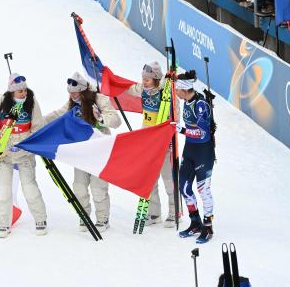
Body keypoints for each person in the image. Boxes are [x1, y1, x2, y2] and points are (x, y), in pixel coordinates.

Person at [44, 72, 121, 231]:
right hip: (82, 151)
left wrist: (100, 118)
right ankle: (84, 215)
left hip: (100, 151)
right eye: (70, 93)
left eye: (75, 93)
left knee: (98, 188)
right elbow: (57, 115)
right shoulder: (72, 103)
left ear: (83, 90)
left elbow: (116, 120)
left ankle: (102, 219)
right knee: (79, 187)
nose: (72, 96)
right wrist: (37, 122)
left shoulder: (99, 99)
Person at [0, 73, 47, 238]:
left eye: (25, 89)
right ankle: (3, 224)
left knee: (30, 189)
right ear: (12, 91)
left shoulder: (32, 103)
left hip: (24, 155)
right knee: (4, 191)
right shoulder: (0, 103)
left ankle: (41, 220)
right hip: (4, 156)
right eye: (20, 90)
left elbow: (37, 129)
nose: (24, 93)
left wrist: (23, 145)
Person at [126, 62, 177, 227]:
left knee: (168, 179)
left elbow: (176, 118)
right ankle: (154, 214)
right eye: (143, 79)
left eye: (147, 79)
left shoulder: (167, 94)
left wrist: (168, 139)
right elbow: (125, 87)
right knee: (150, 180)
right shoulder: (142, 90)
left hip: (163, 144)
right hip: (148, 143)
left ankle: (174, 212)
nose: (144, 82)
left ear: (156, 79)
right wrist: (107, 80)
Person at [175, 70, 216, 243]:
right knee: (183, 187)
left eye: (177, 89)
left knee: (203, 190)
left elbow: (202, 134)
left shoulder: (200, 104)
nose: (176, 91)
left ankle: (208, 227)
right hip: (190, 150)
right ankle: (195, 222)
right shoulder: (186, 101)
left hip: (204, 153)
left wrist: (182, 130)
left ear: (185, 89)